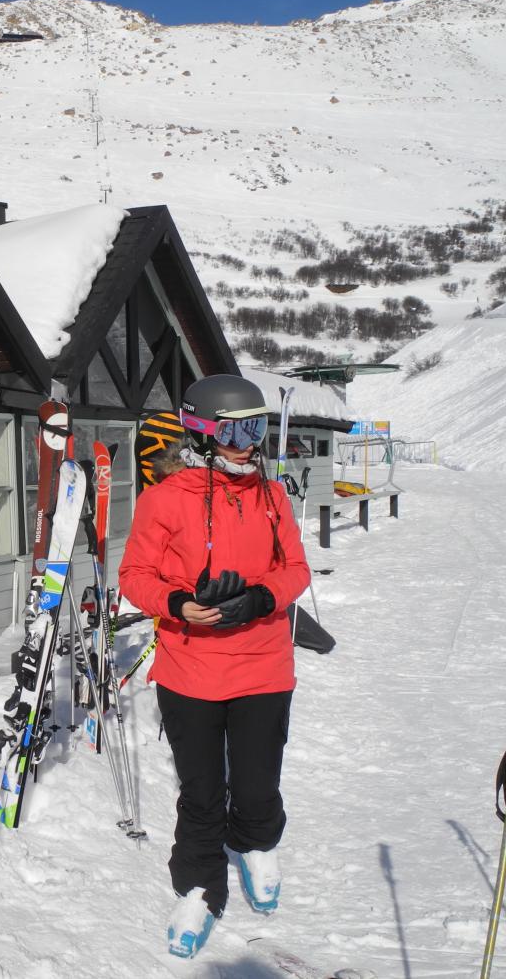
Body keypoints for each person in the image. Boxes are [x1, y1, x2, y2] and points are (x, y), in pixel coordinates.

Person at [118, 374, 311, 960]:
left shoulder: (272, 497)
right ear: (201, 433)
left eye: (256, 429)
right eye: (235, 431)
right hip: (190, 667)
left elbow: (297, 569)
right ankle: (199, 886)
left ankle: (254, 842)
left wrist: (259, 598)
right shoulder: (165, 498)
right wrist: (180, 603)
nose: (248, 444)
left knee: (257, 781)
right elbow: (134, 578)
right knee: (202, 792)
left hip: (263, 663)